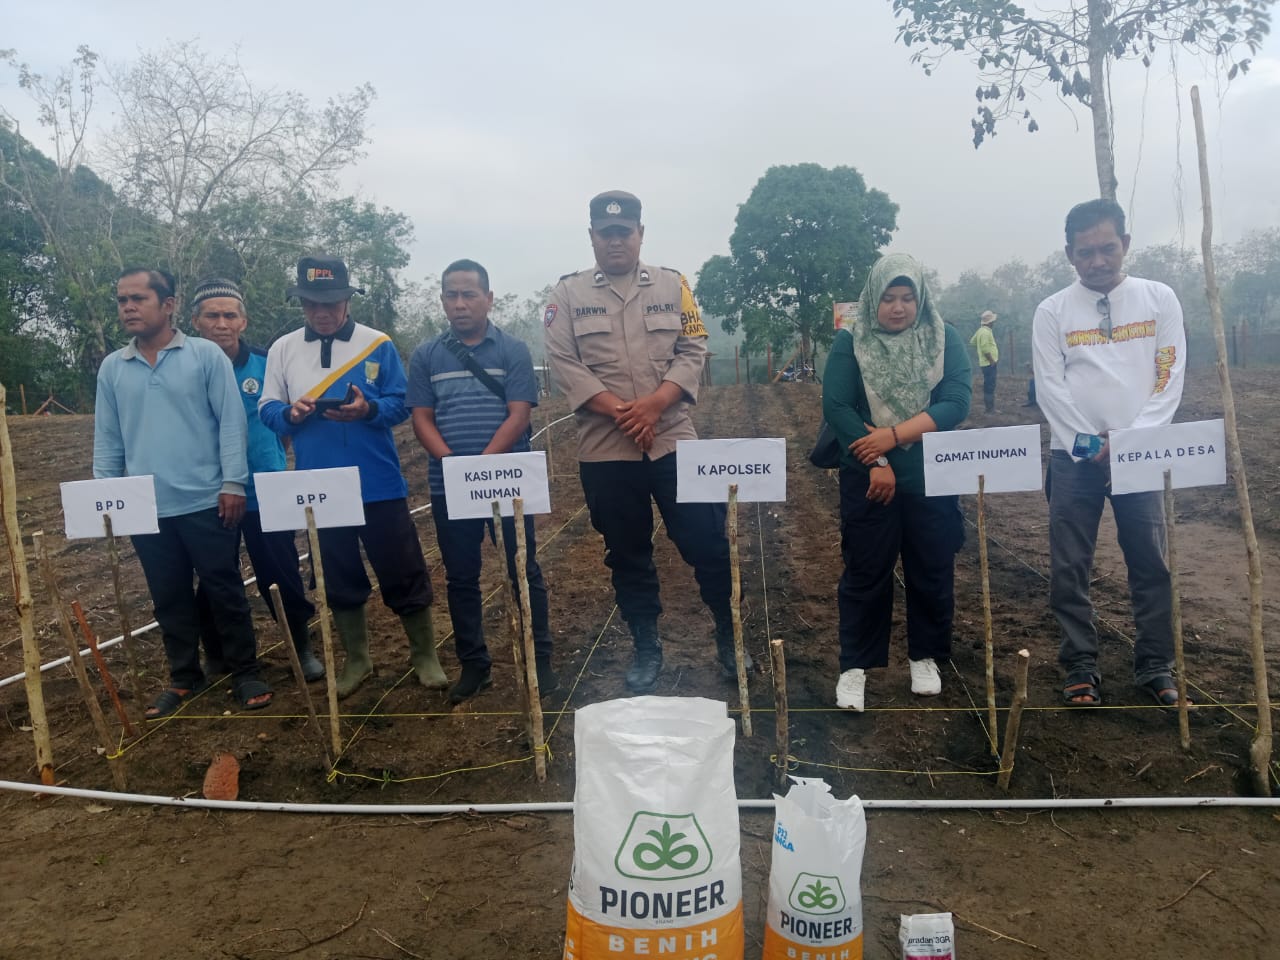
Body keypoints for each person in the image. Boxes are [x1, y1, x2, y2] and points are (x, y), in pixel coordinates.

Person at [544, 190, 746, 694]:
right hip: (606, 448)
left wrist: (654, 406)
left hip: (673, 439)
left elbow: (693, 348)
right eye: (605, 233)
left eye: (625, 232)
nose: (616, 241)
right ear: (592, 236)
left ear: (640, 234)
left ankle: (729, 637)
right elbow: (565, 365)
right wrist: (622, 412)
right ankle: (646, 646)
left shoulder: (674, 285)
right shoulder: (565, 296)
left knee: (706, 541)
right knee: (627, 552)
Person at [259, 255, 445, 699]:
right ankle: (357, 660)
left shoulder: (377, 343)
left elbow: (402, 403)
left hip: (377, 481)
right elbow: (267, 409)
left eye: (331, 303)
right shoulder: (282, 349)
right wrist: (291, 413)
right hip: (318, 488)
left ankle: (424, 654)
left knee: (402, 568)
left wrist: (369, 409)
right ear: (301, 303)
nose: (322, 312)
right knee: (337, 574)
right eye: (311, 304)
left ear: (347, 300)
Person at [93, 268, 272, 718]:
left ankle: (245, 672)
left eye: (138, 298)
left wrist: (233, 483)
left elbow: (232, 423)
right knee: (168, 595)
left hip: (206, 500)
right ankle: (183, 677)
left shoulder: (205, 356)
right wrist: (107, 500)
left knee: (224, 588)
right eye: (122, 300)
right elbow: (108, 438)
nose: (128, 307)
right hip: (146, 507)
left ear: (168, 304)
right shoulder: (114, 367)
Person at [1032, 199, 1187, 708]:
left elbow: (1168, 376)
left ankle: (1155, 665)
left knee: (1150, 560)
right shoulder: (1052, 311)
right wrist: (1089, 442)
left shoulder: (1159, 299)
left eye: (1106, 249)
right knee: (1069, 563)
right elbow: (1050, 388)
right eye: (1084, 253)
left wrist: (1130, 441)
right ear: (1070, 255)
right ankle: (1079, 664)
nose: (1097, 261)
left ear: (1125, 244)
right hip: (1074, 459)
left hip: (1139, 454)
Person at [823, 253, 971, 712]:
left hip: (932, 475)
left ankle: (925, 656)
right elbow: (838, 406)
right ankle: (856, 666)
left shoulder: (944, 338)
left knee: (931, 568)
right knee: (866, 571)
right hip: (870, 478)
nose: (899, 307)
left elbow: (956, 401)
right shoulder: (852, 340)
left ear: (920, 299)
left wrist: (892, 436)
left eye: (908, 298)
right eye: (889, 298)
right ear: (873, 300)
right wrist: (877, 460)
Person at [407, 259, 557, 704]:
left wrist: (481, 466)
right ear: (442, 301)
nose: (460, 303)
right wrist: (454, 465)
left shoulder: (512, 350)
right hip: (448, 482)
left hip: (508, 481)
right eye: (451, 295)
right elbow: (421, 418)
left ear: (489, 299)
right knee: (460, 577)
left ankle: (540, 659)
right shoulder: (426, 355)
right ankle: (474, 664)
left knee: (523, 568)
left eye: (469, 294)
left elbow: (519, 413)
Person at [189, 278, 323, 683]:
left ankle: (300, 645)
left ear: (243, 321)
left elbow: (286, 419)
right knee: (215, 576)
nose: (221, 323)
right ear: (196, 321)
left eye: (230, 315)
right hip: (209, 492)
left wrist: (275, 457)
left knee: (280, 570)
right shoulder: (186, 368)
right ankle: (217, 653)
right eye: (212, 316)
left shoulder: (268, 364)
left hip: (267, 488)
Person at [969, 309, 1000, 413]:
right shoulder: (986, 333)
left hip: (984, 363)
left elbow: (973, 342)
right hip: (989, 363)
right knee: (990, 385)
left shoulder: (980, 331)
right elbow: (985, 348)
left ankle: (989, 408)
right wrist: (991, 360)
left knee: (988, 384)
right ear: (990, 322)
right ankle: (990, 409)